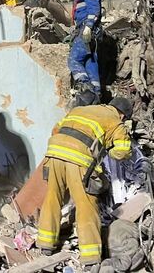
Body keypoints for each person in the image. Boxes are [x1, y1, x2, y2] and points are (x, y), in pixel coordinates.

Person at [37, 98, 134, 267]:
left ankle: (45, 244)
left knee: (53, 196)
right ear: (122, 115)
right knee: (86, 204)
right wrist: (107, 153)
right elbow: (123, 151)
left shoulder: (80, 109)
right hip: (78, 160)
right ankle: (90, 258)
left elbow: (55, 130)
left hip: (53, 154)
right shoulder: (115, 121)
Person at [66, 0, 103, 106]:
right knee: (90, 62)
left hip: (88, 30)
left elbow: (94, 9)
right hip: (88, 31)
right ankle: (96, 94)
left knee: (74, 59)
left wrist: (88, 26)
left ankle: (86, 90)